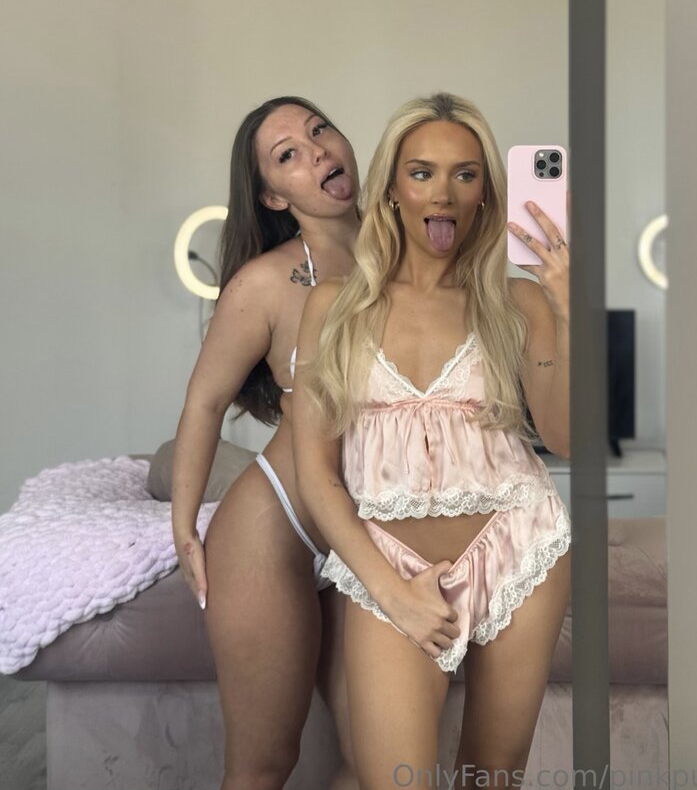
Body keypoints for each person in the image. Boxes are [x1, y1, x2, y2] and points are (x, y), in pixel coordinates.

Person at [292, 92, 572, 790]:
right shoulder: (334, 305)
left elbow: (564, 436)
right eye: (422, 172)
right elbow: (317, 474)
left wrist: (568, 310)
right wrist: (391, 592)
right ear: (392, 187)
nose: (443, 192)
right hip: (391, 562)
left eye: (464, 174)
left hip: (518, 544)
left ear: (485, 193)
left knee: (491, 779)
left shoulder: (518, 301)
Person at [171, 96, 361, 790]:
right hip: (275, 528)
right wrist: (184, 528)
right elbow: (204, 402)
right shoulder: (265, 282)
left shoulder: (414, 251)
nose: (316, 151)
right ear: (273, 195)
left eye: (319, 130)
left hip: (370, 532)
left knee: (382, 767)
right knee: (262, 766)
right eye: (288, 155)